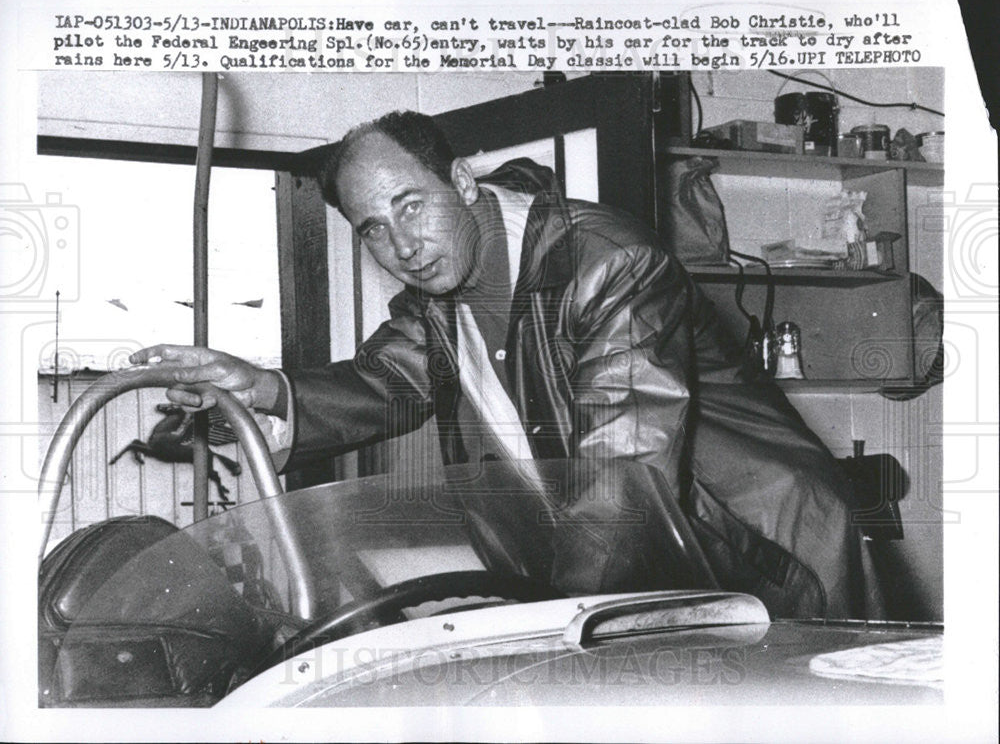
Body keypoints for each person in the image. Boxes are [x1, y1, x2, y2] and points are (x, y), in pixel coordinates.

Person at [132, 110, 883, 619]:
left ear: (460, 183)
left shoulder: (608, 263)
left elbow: (624, 470)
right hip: (631, 563)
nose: (402, 245)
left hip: (759, 548)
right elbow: (388, 383)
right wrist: (257, 384)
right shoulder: (441, 294)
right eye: (374, 229)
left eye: (412, 205)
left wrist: (549, 617)